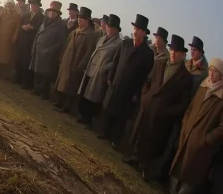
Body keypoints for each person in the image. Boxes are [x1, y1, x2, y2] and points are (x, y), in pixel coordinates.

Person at [125, 35, 193, 179]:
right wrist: (145, 97)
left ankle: (145, 167)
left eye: (177, 51)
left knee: (155, 142)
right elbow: (148, 81)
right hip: (149, 107)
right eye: (172, 50)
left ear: (183, 54)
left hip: (163, 116)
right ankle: (135, 156)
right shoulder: (160, 63)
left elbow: (183, 103)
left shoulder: (186, 77)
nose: (173, 53)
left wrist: (167, 112)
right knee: (141, 132)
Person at [166, 58, 223, 194]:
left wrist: (205, 141)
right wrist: (185, 126)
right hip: (187, 138)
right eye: (210, 70)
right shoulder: (203, 86)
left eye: (216, 72)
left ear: (221, 75)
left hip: (202, 147)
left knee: (189, 180)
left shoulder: (221, 97)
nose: (211, 74)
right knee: (178, 170)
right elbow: (190, 108)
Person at [98, 14, 155, 148]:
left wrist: (137, 93)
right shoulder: (126, 43)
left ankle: (116, 139)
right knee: (109, 109)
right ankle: (104, 132)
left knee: (121, 115)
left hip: (130, 90)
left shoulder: (147, 53)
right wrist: (110, 78)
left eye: (138, 30)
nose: (135, 32)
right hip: (116, 83)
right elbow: (116, 61)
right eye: (134, 28)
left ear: (144, 33)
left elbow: (145, 75)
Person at [52, 6, 99, 113]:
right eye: (79, 18)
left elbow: (88, 53)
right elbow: (65, 45)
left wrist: (80, 66)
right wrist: (61, 58)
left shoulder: (90, 35)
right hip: (66, 61)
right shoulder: (74, 32)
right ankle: (60, 102)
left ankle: (67, 106)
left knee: (70, 87)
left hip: (76, 64)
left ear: (87, 21)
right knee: (62, 84)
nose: (79, 21)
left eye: (82, 19)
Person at [78, 14, 122, 126]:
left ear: (116, 30)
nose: (108, 29)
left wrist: (105, 67)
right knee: (85, 92)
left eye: (111, 27)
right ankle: (82, 116)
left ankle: (89, 119)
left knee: (94, 97)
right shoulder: (102, 38)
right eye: (108, 26)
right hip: (91, 68)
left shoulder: (119, 44)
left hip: (101, 73)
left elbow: (117, 61)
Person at [30, 1, 67, 99]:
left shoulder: (61, 25)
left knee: (45, 74)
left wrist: (49, 50)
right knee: (37, 71)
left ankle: (44, 93)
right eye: (50, 11)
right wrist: (35, 46)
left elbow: (61, 42)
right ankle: (36, 89)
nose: (51, 13)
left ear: (58, 13)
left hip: (49, 54)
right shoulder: (45, 21)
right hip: (39, 50)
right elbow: (38, 34)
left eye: (54, 11)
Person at [15, 0, 44, 89]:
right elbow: (20, 25)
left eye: (35, 5)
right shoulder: (27, 15)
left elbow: (39, 29)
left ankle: (25, 82)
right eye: (32, 4)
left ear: (38, 6)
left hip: (31, 42)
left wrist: (32, 27)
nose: (33, 6)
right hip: (23, 40)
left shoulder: (41, 17)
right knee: (19, 60)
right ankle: (17, 78)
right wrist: (23, 27)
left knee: (26, 62)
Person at [0, 0, 22, 77]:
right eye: (7, 5)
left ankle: (4, 74)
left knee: (5, 57)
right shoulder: (3, 12)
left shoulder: (16, 15)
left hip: (8, 38)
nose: (8, 6)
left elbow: (17, 28)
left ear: (13, 6)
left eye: (10, 5)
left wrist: (14, 37)